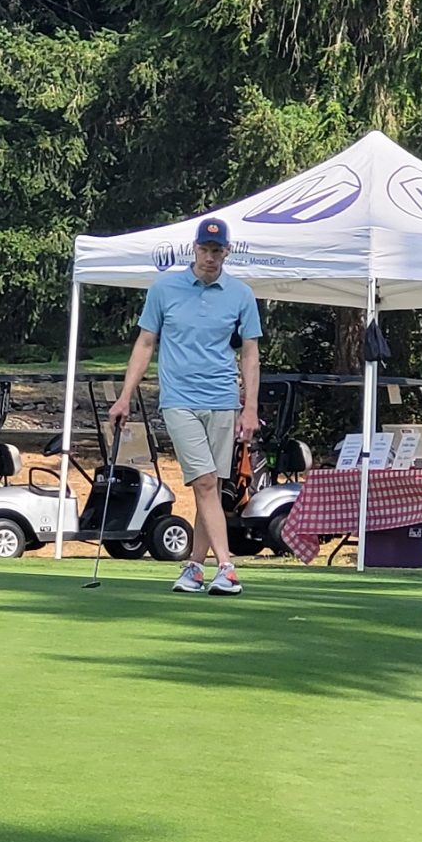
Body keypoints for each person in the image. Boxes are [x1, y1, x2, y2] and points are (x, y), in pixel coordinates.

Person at [108, 217, 261, 595]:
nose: (210, 257)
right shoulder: (164, 290)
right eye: (205, 250)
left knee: (211, 487)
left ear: (227, 251)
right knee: (206, 481)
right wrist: (125, 395)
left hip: (223, 399)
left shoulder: (241, 295)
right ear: (194, 249)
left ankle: (194, 567)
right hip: (179, 399)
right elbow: (145, 344)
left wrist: (251, 407)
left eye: (217, 250)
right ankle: (227, 566)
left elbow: (251, 354)